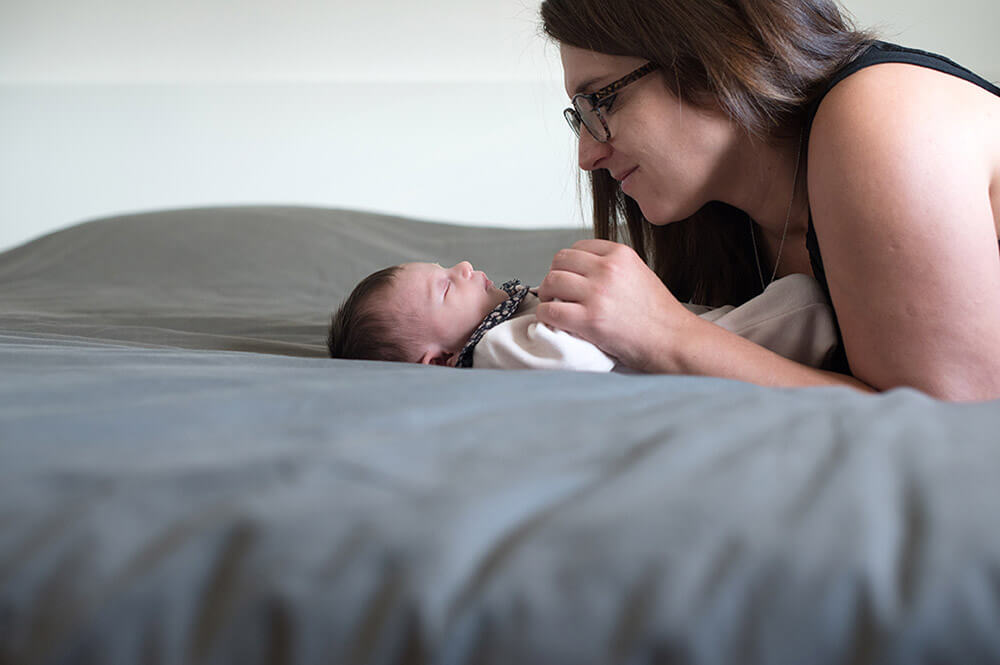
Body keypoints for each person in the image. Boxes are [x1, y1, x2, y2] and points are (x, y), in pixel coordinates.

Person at [536, 0, 1000, 401]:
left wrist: (668, 336)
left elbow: (954, 428)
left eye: (602, 100)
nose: (588, 155)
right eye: (579, 117)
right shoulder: (720, 222)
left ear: (709, 50)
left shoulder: (883, 112)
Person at [327, 261, 839, 372]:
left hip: (678, 327)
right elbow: (574, 362)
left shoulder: (502, 322)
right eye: (444, 287)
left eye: (446, 264)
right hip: (693, 350)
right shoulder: (497, 350)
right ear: (436, 361)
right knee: (802, 301)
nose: (463, 267)